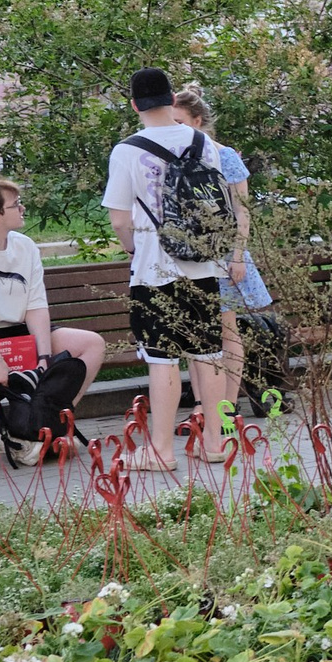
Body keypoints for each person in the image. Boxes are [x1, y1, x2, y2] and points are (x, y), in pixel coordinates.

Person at [102, 67, 230, 471]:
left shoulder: (127, 150)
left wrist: (132, 249)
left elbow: (120, 219)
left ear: (135, 104)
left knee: (162, 359)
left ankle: (161, 449)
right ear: (173, 100)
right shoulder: (204, 143)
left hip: (155, 270)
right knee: (209, 354)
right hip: (204, 264)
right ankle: (215, 441)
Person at [0, 175, 105, 464]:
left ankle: (50, 423)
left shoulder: (24, 246)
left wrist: (43, 356)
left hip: (17, 332)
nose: (23, 209)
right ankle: (10, 435)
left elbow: (36, 306)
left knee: (91, 343)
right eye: (16, 205)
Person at [171, 87, 273, 422]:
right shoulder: (175, 157)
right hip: (190, 254)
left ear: (197, 121)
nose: (174, 128)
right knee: (195, 333)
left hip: (225, 255)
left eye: (180, 121)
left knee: (227, 330)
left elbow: (243, 212)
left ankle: (226, 409)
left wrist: (238, 255)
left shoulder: (223, 156)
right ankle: (203, 407)